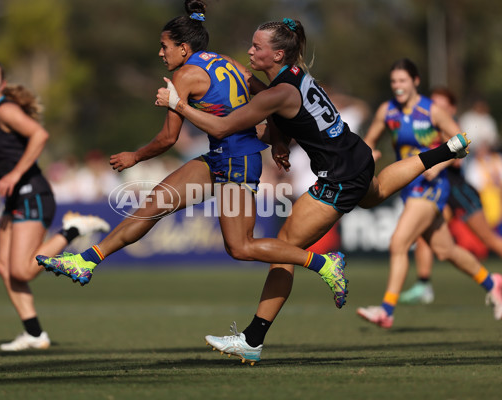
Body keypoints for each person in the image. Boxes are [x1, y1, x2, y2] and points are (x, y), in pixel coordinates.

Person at [36, 1, 354, 352]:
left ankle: (323, 262)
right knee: (155, 202)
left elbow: (169, 139)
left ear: (183, 48)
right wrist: (278, 141)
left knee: (241, 247)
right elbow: (274, 102)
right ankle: (86, 261)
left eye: (165, 46)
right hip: (220, 158)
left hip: (236, 164)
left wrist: (135, 155)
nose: (161, 53)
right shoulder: (224, 61)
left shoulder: (184, 76)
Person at [155, 21, 471, 363]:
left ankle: (257, 334)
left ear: (277, 54)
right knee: (376, 191)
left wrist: (179, 105)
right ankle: (446, 149)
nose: (249, 51)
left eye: (257, 47)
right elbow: (286, 120)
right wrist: (279, 140)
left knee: (284, 249)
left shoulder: (278, 92)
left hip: (338, 179)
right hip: (357, 154)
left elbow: (223, 126)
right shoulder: (295, 75)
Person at [0, 59, 111, 351]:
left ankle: (71, 230)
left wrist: (16, 173)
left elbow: (39, 135)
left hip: (33, 194)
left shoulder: (5, 110)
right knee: (4, 267)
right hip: (16, 198)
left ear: (2, 84)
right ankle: (35, 334)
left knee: (22, 271)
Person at [355, 59, 502, 328]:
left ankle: (386, 309)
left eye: (402, 81)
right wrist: (369, 154)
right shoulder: (387, 111)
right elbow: (370, 140)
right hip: (408, 187)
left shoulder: (431, 110)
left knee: (398, 242)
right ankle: (493, 282)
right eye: (394, 82)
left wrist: (440, 163)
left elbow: (462, 142)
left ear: (415, 81)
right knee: (445, 250)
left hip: (432, 187)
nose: (397, 87)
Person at [401, 87, 502, 304]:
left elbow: (458, 157)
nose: (436, 107)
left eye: (442, 104)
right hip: (438, 191)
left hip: (458, 191)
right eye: (433, 103)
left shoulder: (450, 126)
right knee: (424, 235)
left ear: (452, 108)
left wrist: (436, 165)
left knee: (488, 238)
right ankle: (423, 284)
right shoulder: (427, 126)